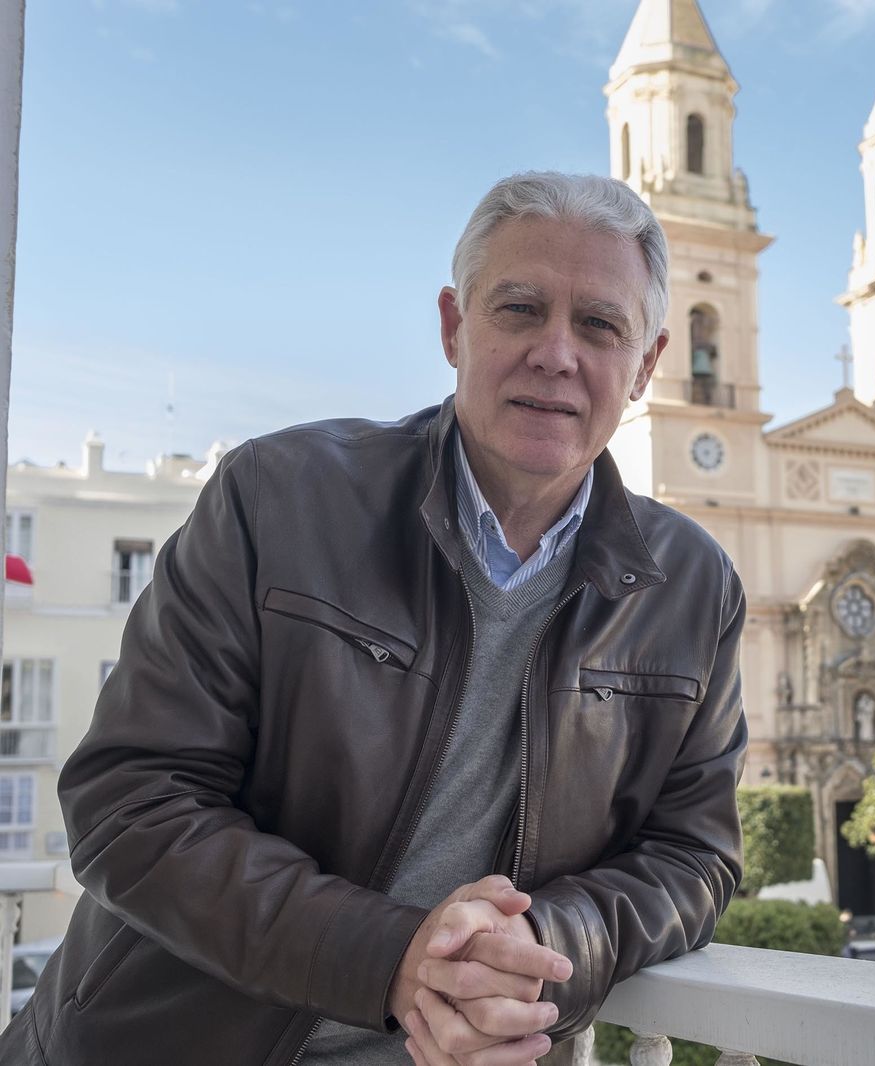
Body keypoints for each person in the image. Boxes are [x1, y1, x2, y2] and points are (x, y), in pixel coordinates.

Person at [0, 173, 748, 1066]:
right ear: (452, 327)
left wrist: (547, 944)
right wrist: (392, 960)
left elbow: (692, 857)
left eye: (599, 324)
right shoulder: (275, 499)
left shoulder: (693, 585)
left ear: (648, 364)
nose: (557, 352)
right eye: (519, 308)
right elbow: (130, 800)